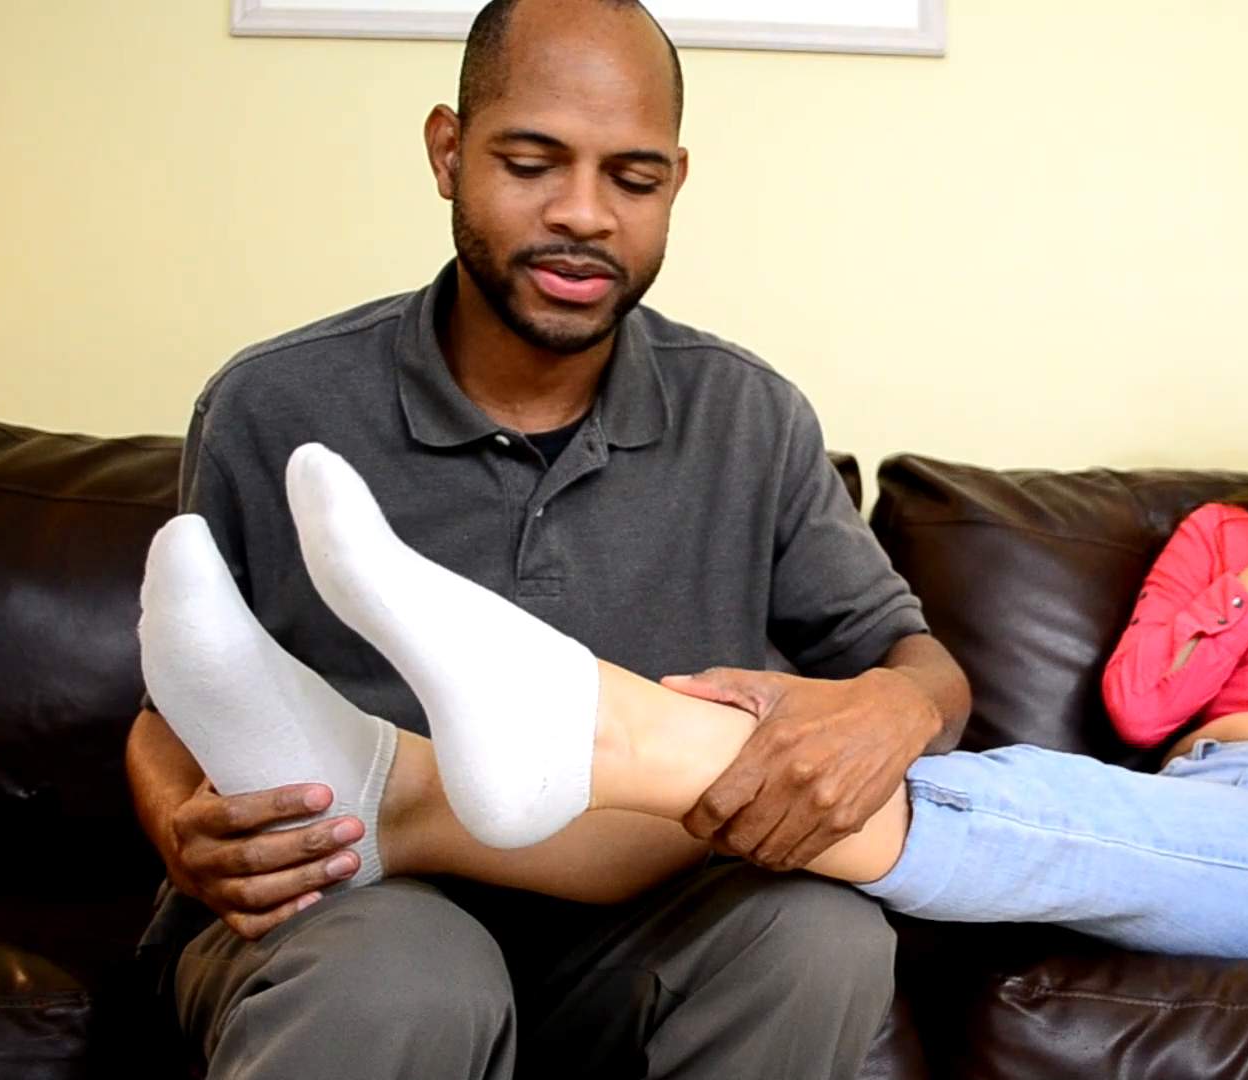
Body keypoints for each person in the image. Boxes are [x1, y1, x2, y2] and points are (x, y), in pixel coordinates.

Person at [140, 329, 1248, 989]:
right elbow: (1142, 703)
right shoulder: (1219, 542)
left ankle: (544, 743)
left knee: (971, 805)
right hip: (1189, 798)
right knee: (959, 798)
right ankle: (430, 785)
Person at [123, 1, 969, 1077]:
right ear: (448, 152)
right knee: (410, 976)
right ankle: (391, 811)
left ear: (677, 183)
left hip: (633, 931)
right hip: (351, 918)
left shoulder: (750, 418)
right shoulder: (276, 403)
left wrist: (897, 707)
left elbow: (922, 667)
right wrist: (178, 826)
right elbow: (169, 713)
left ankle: (425, 801)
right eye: (530, 164)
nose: (584, 214)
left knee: (821, 939)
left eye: (635, 180)